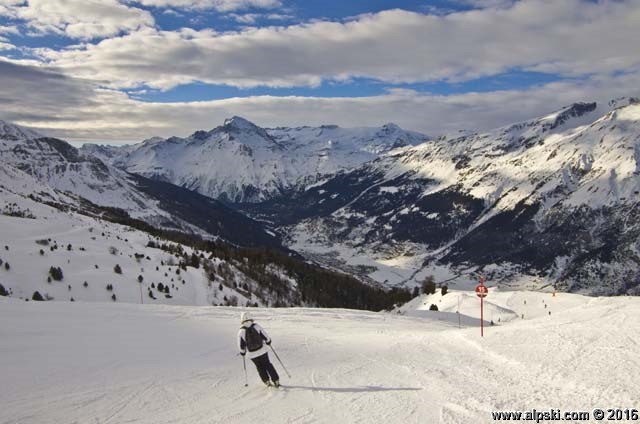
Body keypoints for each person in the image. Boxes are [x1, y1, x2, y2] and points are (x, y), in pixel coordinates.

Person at [238, 312, 280, 387]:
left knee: (259, 367)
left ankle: (266, 381)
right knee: (267, 364)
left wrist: (243, 352)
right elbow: (266, 336)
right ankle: (276, 380)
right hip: (262, 350)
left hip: (252, 354)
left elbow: (241, 346)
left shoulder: (241, 332)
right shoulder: (256, 326)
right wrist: (268, 341)